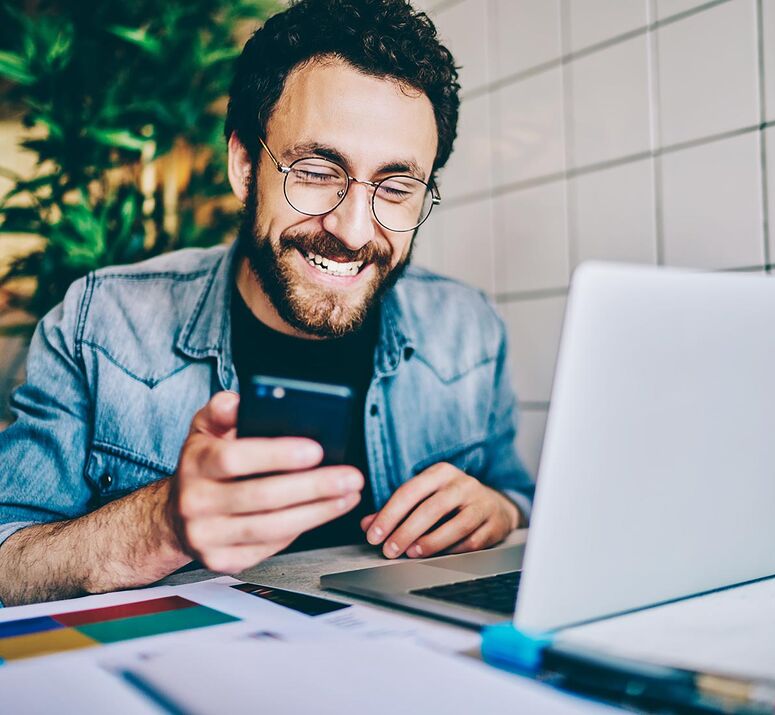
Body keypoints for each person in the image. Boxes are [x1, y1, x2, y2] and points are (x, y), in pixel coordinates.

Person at [0, 0, 534, 607]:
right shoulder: (99, 324)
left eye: (396, 187)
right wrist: (161, 523)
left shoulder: (469, 330)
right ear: (244, 166)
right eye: (315, 171)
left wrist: (499, 510)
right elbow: (5, 561)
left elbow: (516, 493)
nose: (356, 230)